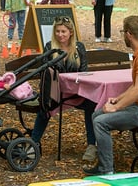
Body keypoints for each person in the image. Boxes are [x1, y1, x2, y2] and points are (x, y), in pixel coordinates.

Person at [83, 15, 138, 176]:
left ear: (129, 34)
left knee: (100, 122)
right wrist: (118, 99)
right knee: (96, 114)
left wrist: (116, 107)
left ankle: (107, 169)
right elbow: (136, 86)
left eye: (122, 32)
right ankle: (103, 163)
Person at [30, 16, 98, 163]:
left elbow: (84, 71)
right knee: (45, 106)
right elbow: (45, 73)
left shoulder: (79, 48)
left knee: (92, 104)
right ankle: (33, 143)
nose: (60, 35)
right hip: (56, 92)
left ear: (71, 32)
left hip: (76, 92)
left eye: (63, 31)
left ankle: (92, 145)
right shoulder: (50, 47)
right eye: (57, 31)